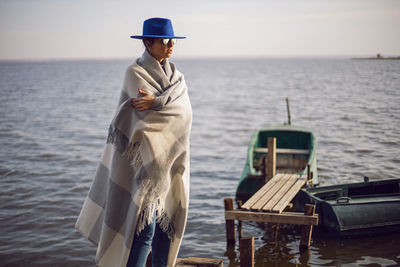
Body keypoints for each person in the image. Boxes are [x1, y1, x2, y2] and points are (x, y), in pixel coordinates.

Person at [75, 17, 192, 267]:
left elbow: (183, 115)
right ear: (148, 43)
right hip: (142, 166)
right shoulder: (135, 73)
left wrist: (158, 103)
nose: (171, 45)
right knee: (144, 231)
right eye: (165, 40)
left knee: (166, 228)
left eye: (173, 40)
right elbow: (141, 122)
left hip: (170, 163)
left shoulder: (177, 79)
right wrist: (158, 108)